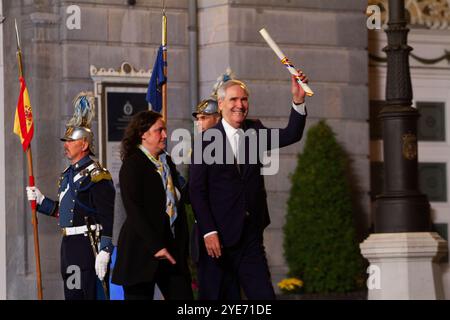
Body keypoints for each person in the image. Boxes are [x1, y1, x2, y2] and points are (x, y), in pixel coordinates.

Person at [189, 72, 309, 300]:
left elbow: (292, 134)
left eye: (243, 99)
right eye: (233, 100)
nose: (240, 105)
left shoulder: (256, 131)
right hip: (217, 241)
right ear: (221, 104)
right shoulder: (205, 140)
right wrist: (209, 231)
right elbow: (197, 191)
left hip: (250, 238)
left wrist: (298, 100)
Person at [26, 92, 115, 300]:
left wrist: (105, 250)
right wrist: (42, 202)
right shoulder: (68, 175)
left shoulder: (97, 175)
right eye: (65, 140)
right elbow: (66, 212)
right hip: (70, 249)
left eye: (70, 141)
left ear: (84, 145)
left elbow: (108, 216)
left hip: (88, 248)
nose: (65, 145)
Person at [111, 110, 193, 300]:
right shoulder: (132, 165)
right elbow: (134, 211)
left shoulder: (167, 161)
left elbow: (180, 196)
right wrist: (156, 246)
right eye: (159, 130)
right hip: (141, 251)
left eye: (164, 130)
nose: (165, 135)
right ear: (143, 134)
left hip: (171, 252)